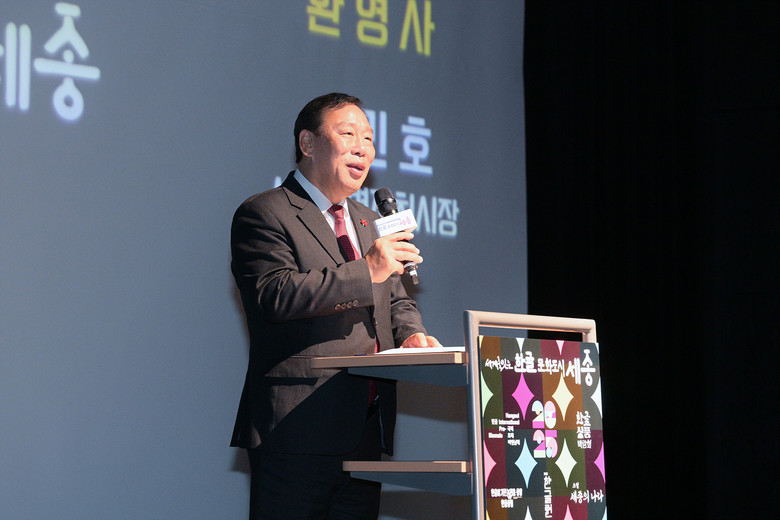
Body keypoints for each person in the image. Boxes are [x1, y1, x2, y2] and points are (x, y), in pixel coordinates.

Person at [230, 92, 442, 519]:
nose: (362, 147)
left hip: (364, 428)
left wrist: (411, 333)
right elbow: (275, 294)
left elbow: (395, 298)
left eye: (369, 138)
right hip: (297, 428)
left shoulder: (369, 220)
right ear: (308, 143)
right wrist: (368, 269)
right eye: (348, 134)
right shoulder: (265, 212)